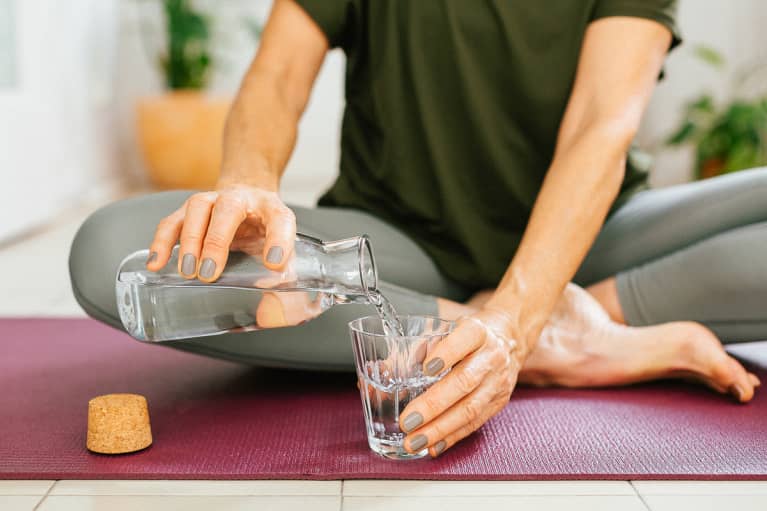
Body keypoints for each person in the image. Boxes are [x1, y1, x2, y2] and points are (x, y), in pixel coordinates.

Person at [70, 0, 764, 458]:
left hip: (589, 238)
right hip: (393, 246)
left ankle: (565, 318)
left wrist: (514, 319)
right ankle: (549, 340)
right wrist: (247, 184)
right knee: (112, 252)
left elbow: (600, 126)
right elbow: (278, 77)